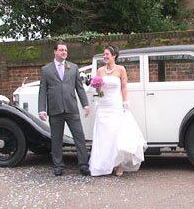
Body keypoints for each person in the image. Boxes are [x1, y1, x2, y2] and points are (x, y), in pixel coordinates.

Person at [89, 44, 146, 177]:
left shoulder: (121, 69)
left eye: (107, 54)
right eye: (104, 55)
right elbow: (99, 91)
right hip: (103, 104)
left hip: (115, 104)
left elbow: (124, 87)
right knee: (103, 136)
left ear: (114, 56)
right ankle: (104, 164)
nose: (105, 57)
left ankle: (118, 164)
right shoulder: (100, 71)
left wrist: (125, 102)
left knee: (115, 134)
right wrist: (97, 88)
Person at [38, 41, 91, 176]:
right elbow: (42, 90)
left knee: (79, 136)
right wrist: (41, 109)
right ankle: (58, 165)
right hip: (55, 109)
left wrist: (85, 104)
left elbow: (79, 88)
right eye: (61, 50)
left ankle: (84, 164)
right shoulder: (46, 70)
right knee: (56, 139)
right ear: (55, 52)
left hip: (71, 108)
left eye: (65, 50)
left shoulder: (73, 68)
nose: (64, 52)